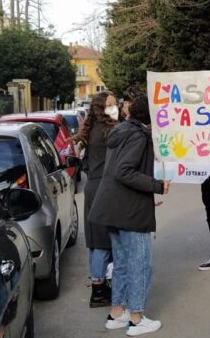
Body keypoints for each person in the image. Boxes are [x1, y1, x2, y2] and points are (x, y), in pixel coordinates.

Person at [88, 94, 170, 336]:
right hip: (129, 212)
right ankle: (136, 318)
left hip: (114, 207)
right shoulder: (138, 135)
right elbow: (124, 171)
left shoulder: (121, 130)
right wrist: (155, 185)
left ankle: (117, 314)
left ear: (131, 114)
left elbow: (118, 170)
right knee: (140, 265)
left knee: (122, 263)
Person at [72, 91, 119, 308]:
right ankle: (99, 291)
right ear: (101, 108)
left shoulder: (91, 129)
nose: (115, 107)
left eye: (115, 103)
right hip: (103, 187)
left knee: (96, 241)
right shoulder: (108, 131)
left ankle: (99, 286)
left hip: (93, 186)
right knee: (101, 242)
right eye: (110, 104)